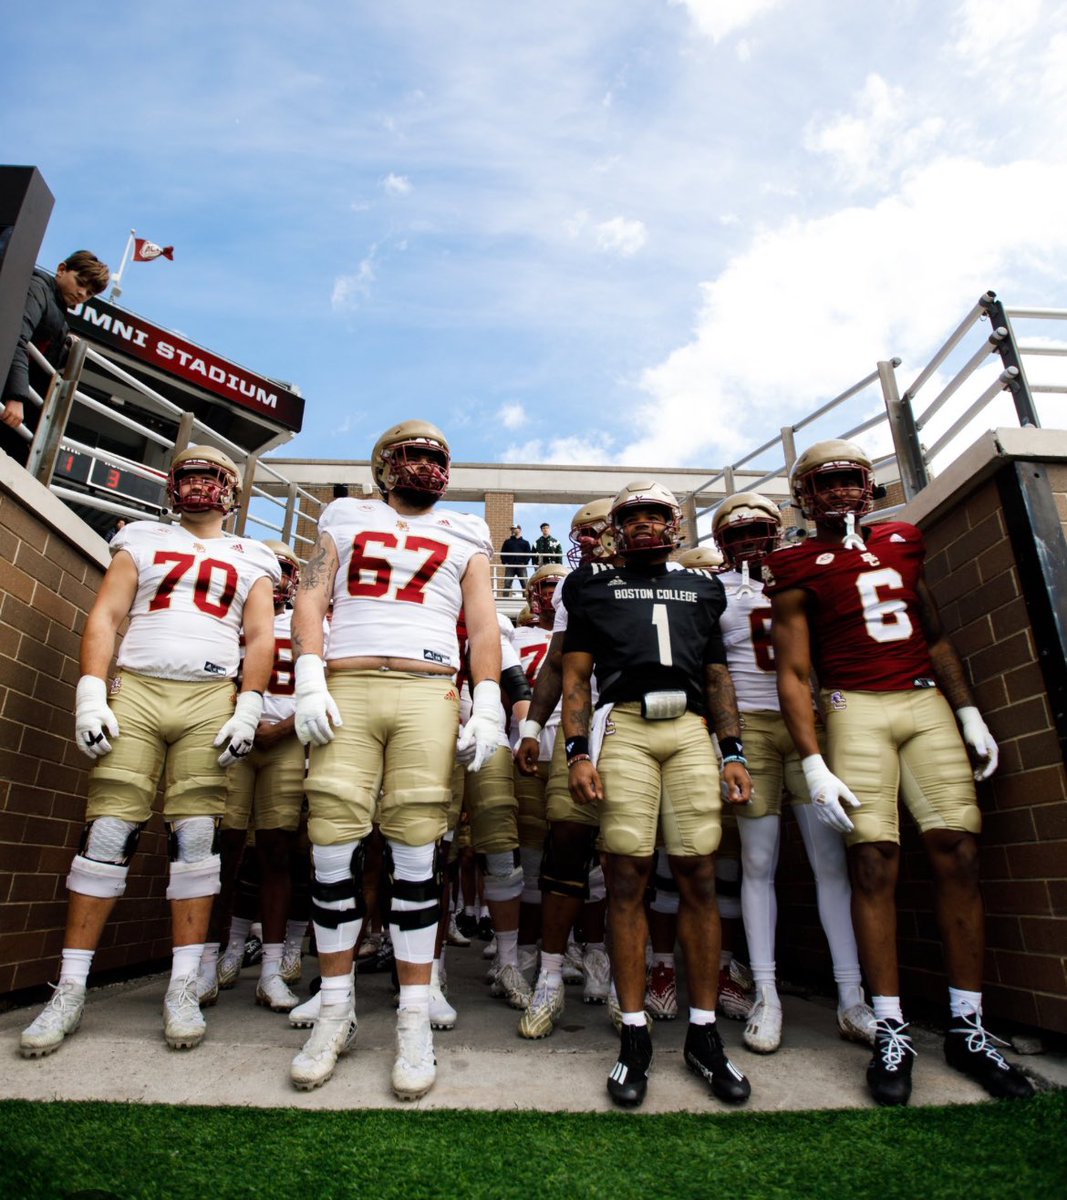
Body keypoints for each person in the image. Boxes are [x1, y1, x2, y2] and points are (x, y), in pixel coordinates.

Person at [766, 438, 1034, 1106]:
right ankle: (890, 1025)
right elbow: (793, 670)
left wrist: (967, 709)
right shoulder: (793, 560)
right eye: (824, 483)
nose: (839, 493)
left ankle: (967, 1025)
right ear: (803, 495)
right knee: (873, 860)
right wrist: (812, 759)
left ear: (870, 484)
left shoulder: (902, 539)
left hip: (922, 697)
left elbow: (935, 631)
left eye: (850, 479)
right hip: (852, 705)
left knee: (958, 852)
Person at [19, 446, 277, 1057]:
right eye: (188, 473)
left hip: (211, 693)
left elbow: (261, 634)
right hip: (136, 686)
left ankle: (183, 984)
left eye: (211, 475)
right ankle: (72, 986)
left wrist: (248, 703)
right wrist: (91, 691)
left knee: (196, 839)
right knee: (108, 830)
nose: (199, 485)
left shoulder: (254, 554)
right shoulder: (140, 536)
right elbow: (107, 615)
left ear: (233, 489)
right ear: (170, 485)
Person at [289, 418, 501, 1100]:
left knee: (415, 850)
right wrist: (310, 676)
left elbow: (484, 620)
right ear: (382, 463)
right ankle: (335, 1007)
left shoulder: (468, 530)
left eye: (435, 457)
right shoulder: (345, 513)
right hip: (348, 681)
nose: (423, 466)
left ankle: (411, 1017)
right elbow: (313, 595)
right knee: (332, 845)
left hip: (427, 686)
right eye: (409, 454)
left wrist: (488, 699)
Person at [561, 480, 753, 1109]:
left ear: (675, 525)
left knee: (698, 873)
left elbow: (717, 671)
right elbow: (577, 675)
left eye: (656, 515)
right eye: (632, 516)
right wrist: (577, 749)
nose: (644, 524)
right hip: (627, 726)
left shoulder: (705, 585)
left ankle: (703, 1032)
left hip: (693, 728)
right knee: (625, 876)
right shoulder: (590, 583)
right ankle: (635, 1032)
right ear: (616, 527)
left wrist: (732, 749)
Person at [710, 492, 874, 1054]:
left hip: (806, 721)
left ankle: (852, 996)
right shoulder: (713, 590)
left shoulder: (802, 573)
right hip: (751, 724)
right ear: (722, 543)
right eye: (739, 533)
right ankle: (766, 991)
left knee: (831, 859)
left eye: (761, 529)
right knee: (757, 861)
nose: (753, 542)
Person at [199, 539, 307, 1014]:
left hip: (288, 742)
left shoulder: (315, 623)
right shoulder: (231, 615)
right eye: (272, 568)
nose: (279, 576)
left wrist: (279, 728)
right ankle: (207, 961)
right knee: (221, 852)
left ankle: (270, 969)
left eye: (285, 568)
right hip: (232, 739)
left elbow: (328, 690)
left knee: (278, 853)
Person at [1, 252, 110, 465]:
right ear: (61, 269)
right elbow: (16, 336)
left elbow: (44, 358)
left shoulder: (59, 311)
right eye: (80, 283)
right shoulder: (38, 288)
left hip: (17, 409)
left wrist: (66, 345)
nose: (82, 293)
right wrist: (17, 396)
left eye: (89, 293)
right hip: (10, 400)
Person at [500, 525, 533, 593]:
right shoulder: (507, 542)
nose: (513, 530)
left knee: (525, 585)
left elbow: (528, 553)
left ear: (520, 530)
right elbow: (503, 552)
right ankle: (505, 601)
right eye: (512, 529)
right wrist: (505, 562)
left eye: (515, 528)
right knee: (507, 584)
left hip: (521, 566)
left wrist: (525, 563)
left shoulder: (525, 542)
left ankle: (525, 601)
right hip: (510, 566)